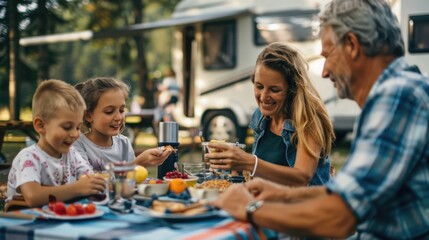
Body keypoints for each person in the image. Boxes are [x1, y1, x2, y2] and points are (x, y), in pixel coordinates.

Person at [212, 0, 429, 239]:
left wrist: (249, 208)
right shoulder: (399, 91)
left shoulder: (397, 97)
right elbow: (347, 193)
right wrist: (282, 194)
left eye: (327, 54)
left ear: (352, 45)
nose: (324, 71)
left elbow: (339, 216)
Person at [205, 42, 335, 186]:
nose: (263, 96)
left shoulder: (308, 121)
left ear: (292, 89)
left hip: (304, 206)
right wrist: (237, 166)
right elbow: (264, 172)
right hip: (271, 203)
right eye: (259, 86)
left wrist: (249, 162)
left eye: (274, 89)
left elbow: (302, 177)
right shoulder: (260, 117)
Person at [6, 79, 105, 207]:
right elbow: (33, 197)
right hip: (27, 221)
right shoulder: (28, 158)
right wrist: (77, 188)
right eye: (67, 127)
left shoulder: (73, 155)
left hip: (61, 218)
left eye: (78, 127)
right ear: (40, 125)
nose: (75, 134)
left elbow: (89, 180)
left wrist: (97, 183)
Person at [73, 77, 173, 171]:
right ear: (89, 116)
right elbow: (88, 182)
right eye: (109, 111)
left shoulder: (123, 143)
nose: (119, 117)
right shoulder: (78, 145)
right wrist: (138, 163)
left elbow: (132, 180)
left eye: (121, 110)